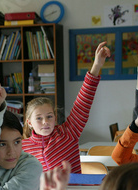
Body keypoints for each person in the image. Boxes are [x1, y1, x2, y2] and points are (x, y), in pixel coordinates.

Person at [22, 41, 111, 174]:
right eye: (39, 118)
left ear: (55, 117)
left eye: (49, 116)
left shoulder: (68, 133)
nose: (45, 121)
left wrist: (96, 65)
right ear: (29, 123)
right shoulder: (22, 147)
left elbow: (83, 103)